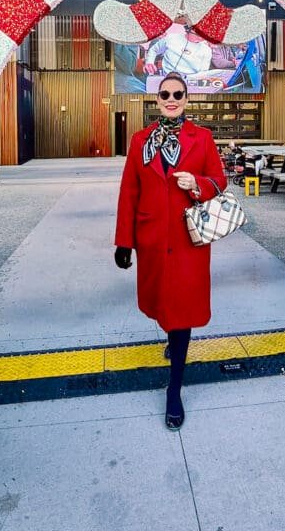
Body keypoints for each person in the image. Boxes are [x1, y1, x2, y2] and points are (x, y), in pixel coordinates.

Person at [113, 71, 227, 430]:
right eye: (166, 94)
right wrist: (123, 241)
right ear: (157, 99)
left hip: (187, 241)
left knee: (182, 313)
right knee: (163, 306)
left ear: (187, 99)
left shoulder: (202, 138)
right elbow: (129, 191)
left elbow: (219, 181)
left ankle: (174, 389)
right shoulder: (140, 140)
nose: (172, 99)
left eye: (178, 93)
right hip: (151, 241)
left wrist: (198, 184)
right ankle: (172, 344)